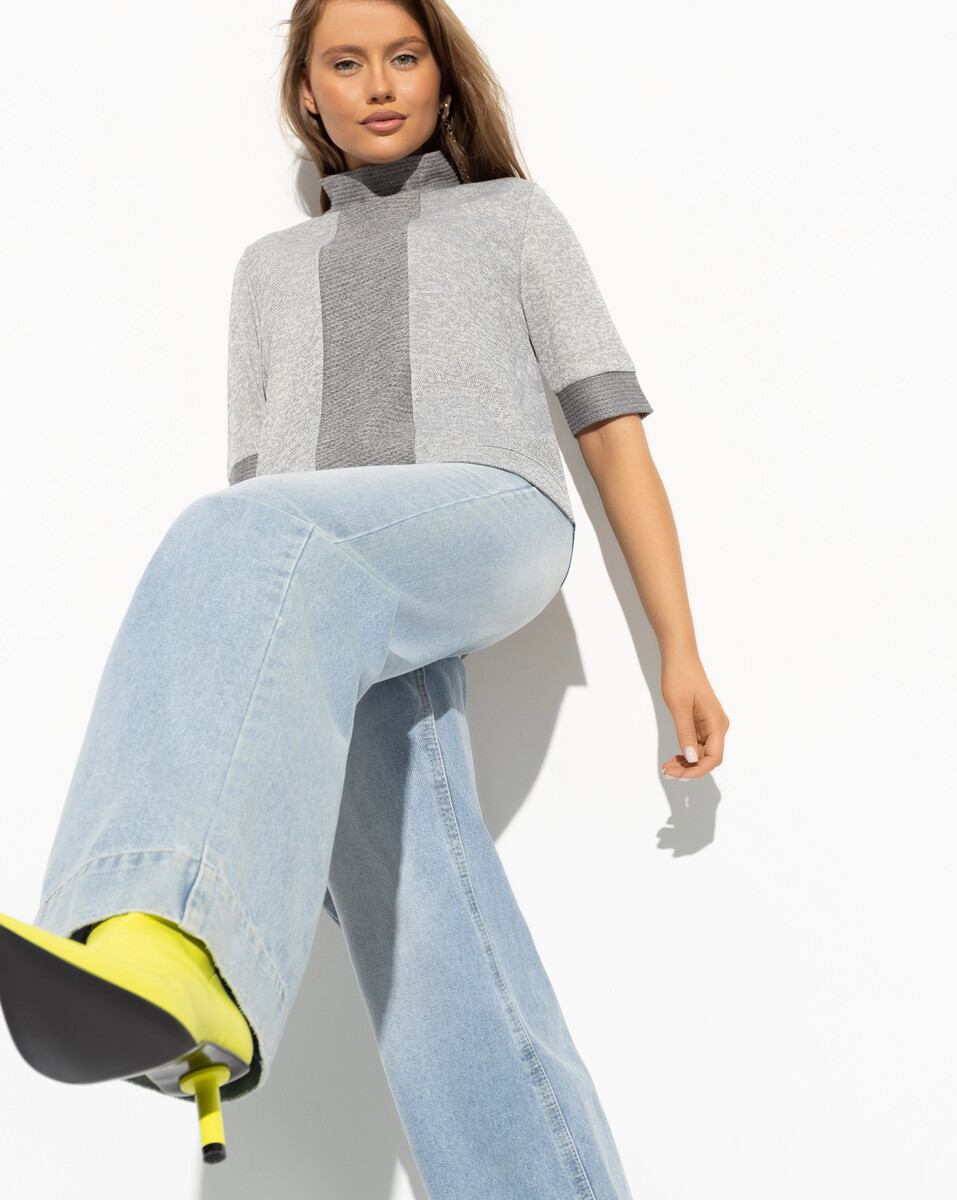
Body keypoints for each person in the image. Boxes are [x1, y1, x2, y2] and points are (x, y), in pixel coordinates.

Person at [0, 0, 729, 1192]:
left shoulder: (515, 219)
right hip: (327, 586)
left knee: (235, 530)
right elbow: (263, 497)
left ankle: (159, 925)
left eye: (404, 57)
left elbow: (610, 431)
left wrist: (678, 649)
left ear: (443, 76)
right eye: (347, 62)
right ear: (308, 92)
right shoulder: (266, 273)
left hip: (490, 518)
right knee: (418, 909)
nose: (380, 84)